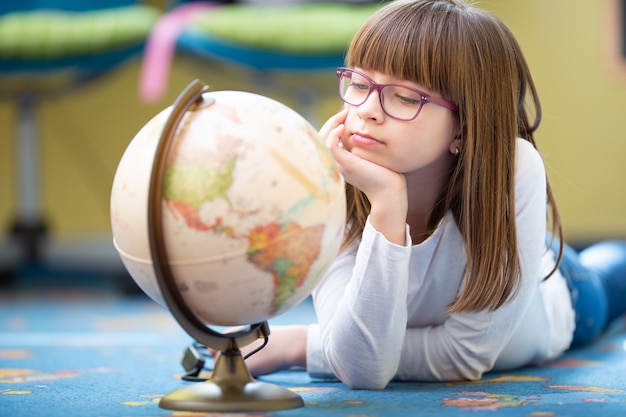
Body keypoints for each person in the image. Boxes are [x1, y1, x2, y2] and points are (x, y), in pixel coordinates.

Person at [232, 0, 626, 389]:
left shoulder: (512, 167)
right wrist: (386, 203)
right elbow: (363, 369)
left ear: (464, 127)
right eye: (358, 83)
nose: (367, 110)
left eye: (404, 97)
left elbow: (465, 355)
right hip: (501, 244)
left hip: (562, 290)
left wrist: (307, 345)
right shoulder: (332, 174)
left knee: (615, 268)